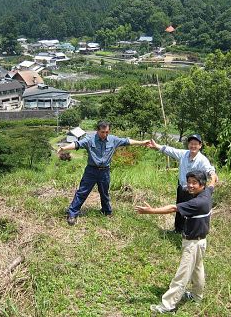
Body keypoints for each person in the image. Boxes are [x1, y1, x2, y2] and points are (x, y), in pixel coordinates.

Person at [135, 170, 213, 313]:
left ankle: (167, 305)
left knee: (182, 275)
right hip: (201, 241)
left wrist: (151, 211)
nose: (190, 185)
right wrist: (213, 174)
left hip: (193, 244)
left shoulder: (197, 202)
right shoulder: (207, 193)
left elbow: (173, 208)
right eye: (189, 182)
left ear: (202, 184)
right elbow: (213, 182)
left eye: (194, 183)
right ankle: (196, 296)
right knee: (197, 269)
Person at [58, 120, 149, 225]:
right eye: (102, 132)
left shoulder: (113, 140)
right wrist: (64, 148)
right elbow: (77, 144)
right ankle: (72, 214)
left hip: (105, 171)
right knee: (82, 192)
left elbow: (127, 141)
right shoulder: (89, 139)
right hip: (91, 171)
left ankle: (106, 211)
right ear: (97, 130)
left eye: (107, 132)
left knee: (104, 193)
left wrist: (142, 143)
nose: (105, 134)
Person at [147, 134, 217, 233]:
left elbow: (209, 169)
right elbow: (170, 150)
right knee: (179, 208)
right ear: (188, 144)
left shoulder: (202, 160)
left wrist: (213, 174)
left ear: (200, 146)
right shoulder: (183, 154)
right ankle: (178, 229)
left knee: (190, 212)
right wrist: (156, 146)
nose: (193, 146)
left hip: (193, 191)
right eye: (191, 144)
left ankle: (188, 231)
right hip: (182, 187)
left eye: (195, 144)